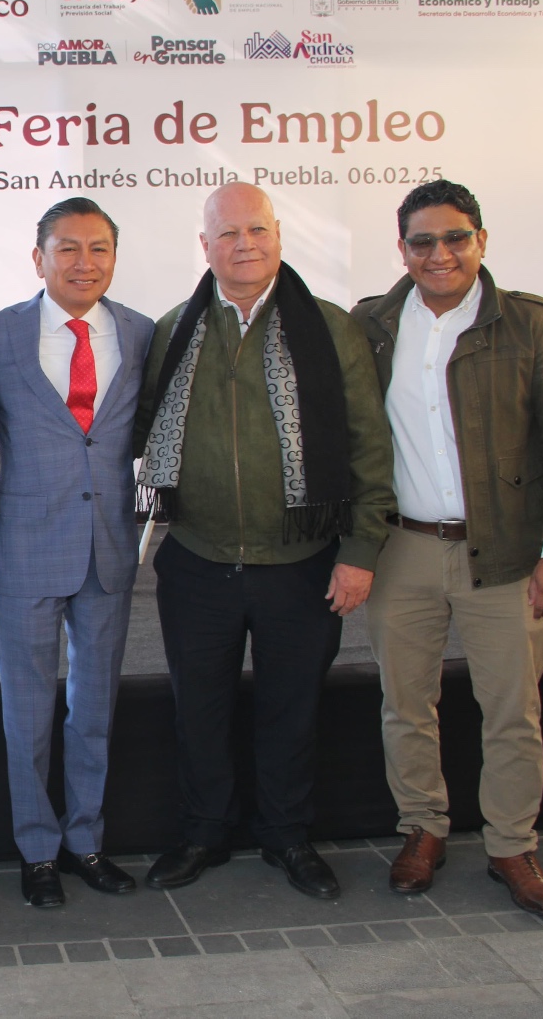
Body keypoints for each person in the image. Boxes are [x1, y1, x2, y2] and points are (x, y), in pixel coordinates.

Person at [134, 182, 394, 900]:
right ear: (205, 246)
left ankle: (287, 836)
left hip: (301, 563)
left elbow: (370, 447)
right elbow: (143, 429)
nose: (244, 244)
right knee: (200, 711)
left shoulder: (331, 328)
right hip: (198, 560)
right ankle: (202, 832)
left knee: (292, 711)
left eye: (257, 230)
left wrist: (360, 550)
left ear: (278, 236)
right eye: (228, 233)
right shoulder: (173, 330)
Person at [353, 180, 543, 917]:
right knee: (405, 702)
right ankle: (422, 828)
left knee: (512, 708)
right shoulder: (371, 325)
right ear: (402, 250)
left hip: (508, 552)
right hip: (403, 549)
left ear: (481, 241)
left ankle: (511, 845)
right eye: (422, 241)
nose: (440, 254)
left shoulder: (531, 324)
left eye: (456, 237)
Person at [0, 197, 154, 907]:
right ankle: (37, 851)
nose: (85, 263)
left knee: (94, 707)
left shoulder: (140, 333)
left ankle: (86, 841)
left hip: (108, 545)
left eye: (99, 249)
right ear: (39, 258)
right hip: (22, 547)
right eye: (69, 249)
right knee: (27, 713)